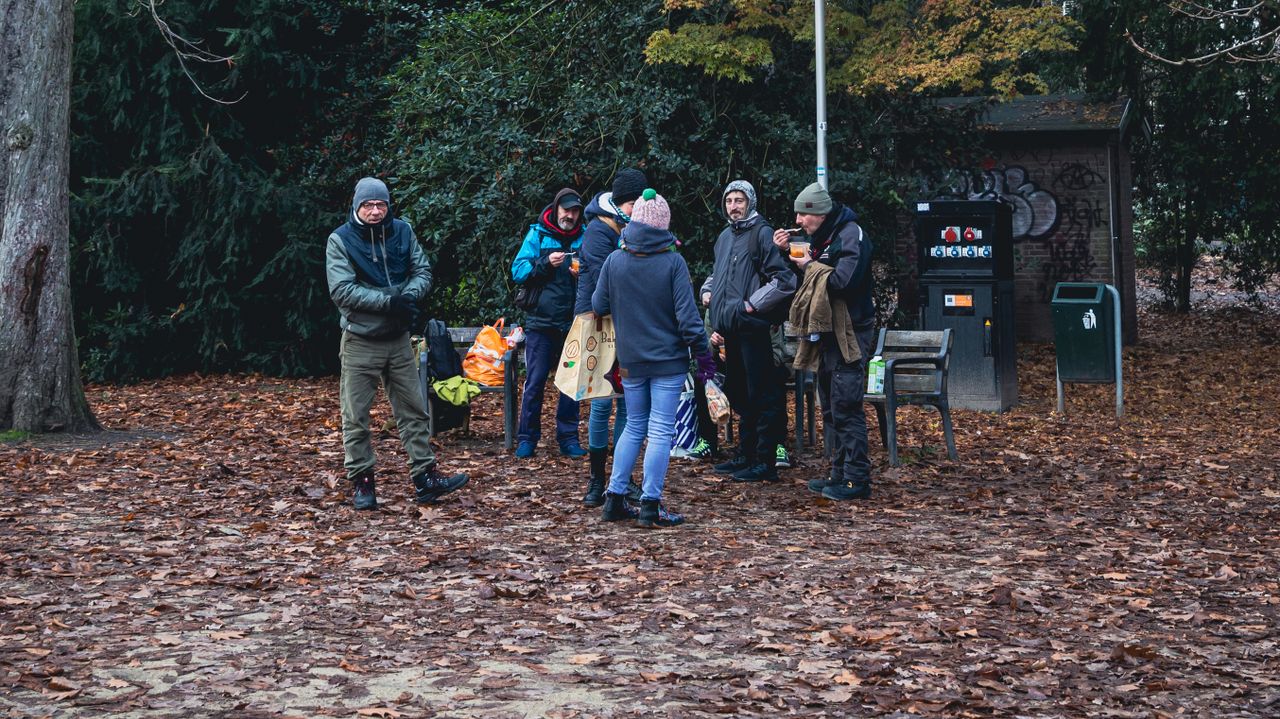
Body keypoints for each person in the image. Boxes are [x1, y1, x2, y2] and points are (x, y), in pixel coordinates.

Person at [325, 177, 469, 510]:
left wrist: (408, 297)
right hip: (361, 339)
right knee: (355, 415)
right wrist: (390, 302)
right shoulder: (341, 240)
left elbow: (422, 270)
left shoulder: (402, 231)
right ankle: (363, 482)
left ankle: (425, 477)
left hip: (399, 338)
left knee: (414, 411)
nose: (375, 211)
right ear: (357, 207)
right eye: (368, 205)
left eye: (381, 205)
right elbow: (342, 291)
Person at [593, 189, 715, 527]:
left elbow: (599, 305)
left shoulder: (615, 260)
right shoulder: (672, 262)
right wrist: (705, 360)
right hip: (668, 361)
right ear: (663, 225)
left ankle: (614, 498)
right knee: (661, 430)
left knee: (634, 425)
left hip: (631, 359)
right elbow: (689, 320)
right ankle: (650, 503)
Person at [773, 182, 875, 500]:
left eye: (803, 213)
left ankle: (857, 480)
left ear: (818, 212)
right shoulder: (822, 237)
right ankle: (839, 473)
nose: (799, 220)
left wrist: (809, 265)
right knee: (831, 408)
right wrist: (787, 252)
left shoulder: (851, 234)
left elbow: (843, 280)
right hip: (828, 333)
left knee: (846, 405)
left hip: (850, 333)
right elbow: (809, 274)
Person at [702, 180, 796, 483]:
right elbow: (719, 274)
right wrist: (708, 292)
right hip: (730, 329)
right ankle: (745, 455)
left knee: (762, 394)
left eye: (739, 200)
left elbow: (783, 280)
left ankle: (764, 461)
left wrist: (750, 306)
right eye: (729, 200)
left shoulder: (762, 233)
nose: (734, 206)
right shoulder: (724, 237)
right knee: (740, 394)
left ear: (750, 202)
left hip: (753, 328)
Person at [573, 168, 647, 506]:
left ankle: (622, 477)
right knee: (602, 403)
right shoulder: (597, 231)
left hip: (627, 324)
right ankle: (597, 478)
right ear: (624, 203)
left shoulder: (633, 227)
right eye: (635, 203)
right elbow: (614, 275)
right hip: (598, 323)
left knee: (628, 405)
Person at [510, 188, 588, 459]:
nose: (570, 215)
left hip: (574, 323)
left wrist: (582, 271)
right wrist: (545, 263)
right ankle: (527, 438)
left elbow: (599, 271)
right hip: (541, 324)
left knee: (571, 385)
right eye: (566, 210)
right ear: (556, 210)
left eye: (575, 210)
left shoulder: (585, 236)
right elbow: (518, 271)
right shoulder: (538, 234)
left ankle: (568, 438)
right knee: (535, 382)